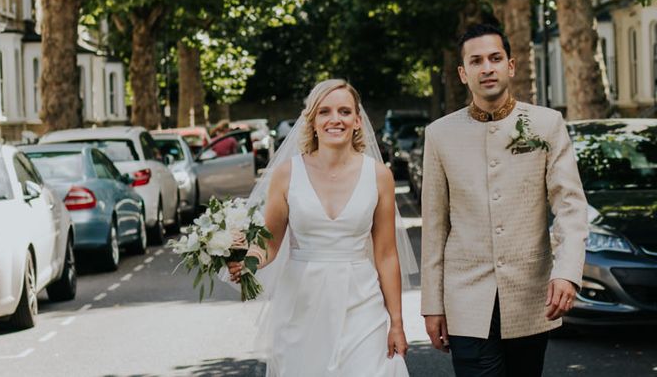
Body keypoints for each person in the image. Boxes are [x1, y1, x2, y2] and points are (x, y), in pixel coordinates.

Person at [421, 23, 588, 377]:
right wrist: (432, 305)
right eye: (477, 61)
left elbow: (570, 206)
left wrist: (568, 272)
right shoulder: (439, 135)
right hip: (465, 296)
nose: (487, 68)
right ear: (463, 73)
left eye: (495, 58)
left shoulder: (547, 124)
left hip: (530, 295)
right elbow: (435, 227)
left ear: (510, 66)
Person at [228, 79, 414, 376]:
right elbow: (271, 242)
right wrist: (250, 261)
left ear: (357, 120)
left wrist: (397, 323)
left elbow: (387, 254)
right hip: (302, 303)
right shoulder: (287, 174)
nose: (335, 119)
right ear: (312, 121)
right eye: (325, 112)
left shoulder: (379, 176)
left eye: (344, 111)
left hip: (362, 302)